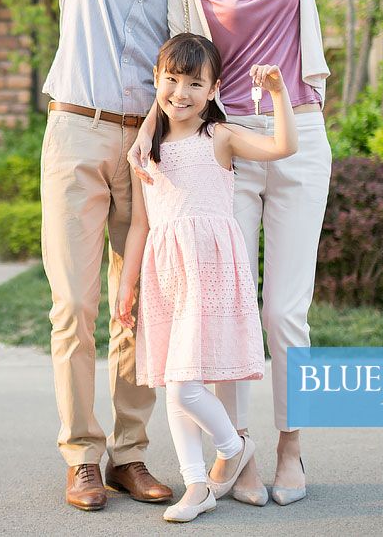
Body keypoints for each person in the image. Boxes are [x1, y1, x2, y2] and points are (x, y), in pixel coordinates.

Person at [129, 0, 333, 507]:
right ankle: (236, 457)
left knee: (284, 309)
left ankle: (290, 449)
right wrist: (150, 133)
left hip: (298, 133)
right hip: (223, 150)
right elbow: (179, 67)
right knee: (228, 305)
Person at [30, 0, 199, 511]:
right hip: (77, 129)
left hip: (150, 147)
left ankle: (131, 452)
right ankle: (81, 454)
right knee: (74, 304)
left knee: (140, 306)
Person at [115, 33, 298, 523]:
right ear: (156, 82)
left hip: (208, 270)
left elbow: (284, 145)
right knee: (177, 378)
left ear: (214, 88)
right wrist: (126, 286)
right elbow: (140, 225)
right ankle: (197, 485)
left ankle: (233, 445)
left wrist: (279, 92)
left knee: (182, 386)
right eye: (171, 80)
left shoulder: (219, 136)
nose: (181, 92)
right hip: (164, 274)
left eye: (195, 83)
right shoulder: (146, 150)